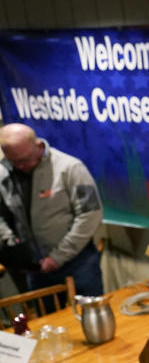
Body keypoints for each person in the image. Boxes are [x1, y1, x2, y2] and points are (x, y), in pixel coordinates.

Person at [0, 123, 103, 297]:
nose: (20, 166)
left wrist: (58, 257)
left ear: (38, 146)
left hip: (77, 264)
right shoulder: (4, 172)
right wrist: (10, 243)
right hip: (35, 268)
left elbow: (90, 214)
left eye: (24, 160)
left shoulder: (71, 168)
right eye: (14, 161)